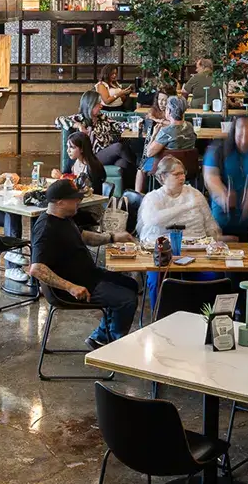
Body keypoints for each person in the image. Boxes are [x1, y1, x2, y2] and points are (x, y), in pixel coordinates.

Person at [28, 179, 139, 350]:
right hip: (76, 287)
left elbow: (84, 236)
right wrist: (71, 287)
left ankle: (101, 337)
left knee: (131, 285)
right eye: (75, 199)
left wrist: (112, 237)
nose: (79, 202)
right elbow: (37, 269)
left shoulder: (64, 218)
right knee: (125, 299)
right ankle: (112, 345)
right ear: (60, 202)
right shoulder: (46, 229)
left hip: (89, 275)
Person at [137, 156, 224, 243]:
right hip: (162, 247)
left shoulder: (194, 193)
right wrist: (187, 206)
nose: (182, 178)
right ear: (163, 177)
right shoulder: (153, 197)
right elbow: (151, 220)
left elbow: (209, 223)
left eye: (183, 173)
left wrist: (214, 241)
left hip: (197, 245)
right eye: (176, 174)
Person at [71, 90, 137, 190]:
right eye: (98, 104)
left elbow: (117, 125)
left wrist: (134, 125)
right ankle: (139, 166)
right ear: (90, 105)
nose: (101, 106)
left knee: (123, 163)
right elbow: (58, 121)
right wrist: (79, 125)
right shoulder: (81, 118)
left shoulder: (102, 117)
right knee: (118, 147)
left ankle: (126, 194)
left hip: (107, 154)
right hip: (91, 157)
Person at [136, 94, 197, 193]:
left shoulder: (166, 132)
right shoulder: (190, 127)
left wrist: (154, 135)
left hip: (166, 168)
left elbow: (149, 153)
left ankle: (138, 197)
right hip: (187, 167)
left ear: (169, 111)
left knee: (141, 166)